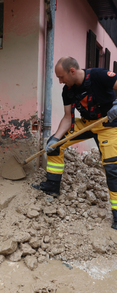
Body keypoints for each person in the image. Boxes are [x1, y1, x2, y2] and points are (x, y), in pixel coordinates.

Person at [33, 56, 117, 229]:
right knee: (54, 145)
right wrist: (56, 138)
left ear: (72, 71)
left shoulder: (99, 76)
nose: (60, 81)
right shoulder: (68, 91)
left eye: (61, 77)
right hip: (87, 124)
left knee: (111, 168)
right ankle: (52, 186)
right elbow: (67, 118)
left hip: (108, 125)